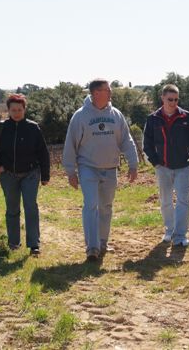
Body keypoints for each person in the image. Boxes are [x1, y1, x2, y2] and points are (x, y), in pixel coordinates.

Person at [63, 78, 139, 262]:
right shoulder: (80, 116)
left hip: (110, 168)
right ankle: (92, 247)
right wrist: (71, 171)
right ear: (96, 93)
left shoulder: (116, 115)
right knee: (91, 205)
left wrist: (133, 163)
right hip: (88, 167)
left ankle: (102, 243)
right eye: (107, 89)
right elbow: (70, 144)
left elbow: (126, 140)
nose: (110, 92)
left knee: (106, 207)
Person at [0, 94, 50, 256]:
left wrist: (45, 175)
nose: (16, 113)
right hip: (8, 175)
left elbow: (43, 152)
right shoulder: (0, 128)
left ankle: (34, 245)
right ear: (8, 110)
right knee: (12, 209)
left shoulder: (33, 128)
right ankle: (14, 243)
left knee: (31, 207)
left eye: (19, 110)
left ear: (24, 109)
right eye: (13, 110)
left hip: (30, 174)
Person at [143, 84, 189, 247]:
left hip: (183, 166)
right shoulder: (153, 119)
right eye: (170, 99)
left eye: (176, 100)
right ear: (162, 98)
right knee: (166, 201)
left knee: (183, 201)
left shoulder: (186, 117)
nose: (173, 103)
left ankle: (180, 236)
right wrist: (155, 162)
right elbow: (147, 143)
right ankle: (169, 230)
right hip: (163, 167)